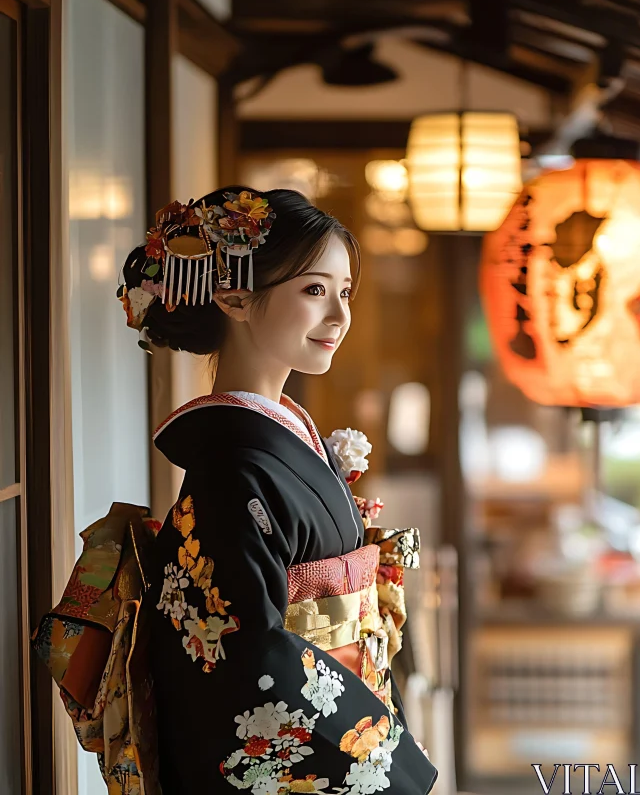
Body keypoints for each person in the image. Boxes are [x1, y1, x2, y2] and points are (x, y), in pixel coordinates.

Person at [35, 187, 437, 795]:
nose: (340, 315)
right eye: (314, 290)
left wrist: (386, 734)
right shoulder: (231, 466)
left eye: (345, 291)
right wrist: (389, 764)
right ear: (235, 297)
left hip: (353, 721)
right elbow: (246, 660)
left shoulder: (282, 435)